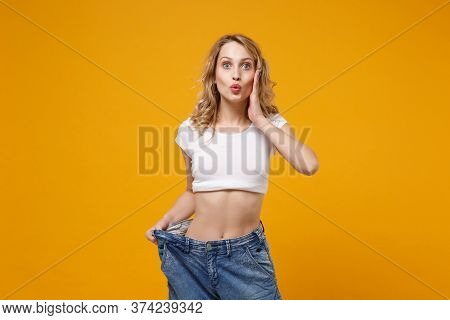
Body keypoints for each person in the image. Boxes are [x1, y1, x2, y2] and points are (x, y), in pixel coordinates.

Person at [145, 33, 319, 300]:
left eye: (245, 66)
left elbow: (309, 164)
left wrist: (259, 119)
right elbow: (193, 192)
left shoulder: (271, 125)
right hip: (191, 257)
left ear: (256, 75)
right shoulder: (191, 129)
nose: (236, 75)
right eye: (226, 65)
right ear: (214, 75)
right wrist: (165, 221)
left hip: (245, 258)